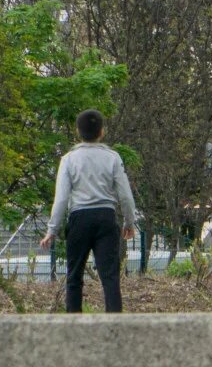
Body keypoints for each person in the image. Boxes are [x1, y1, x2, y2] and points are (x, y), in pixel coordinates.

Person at [40, 108, 137, 313]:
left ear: (78, 131)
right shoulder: (112, 157)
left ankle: (74, 323)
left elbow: (62, 198)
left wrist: (52, 229)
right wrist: (129, 222)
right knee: (110, 276)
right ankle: (115, 325)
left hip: (79, 218)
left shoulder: (69, 159)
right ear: (102, 132)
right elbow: (125, 195)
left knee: (74, 276)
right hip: (105, 218)